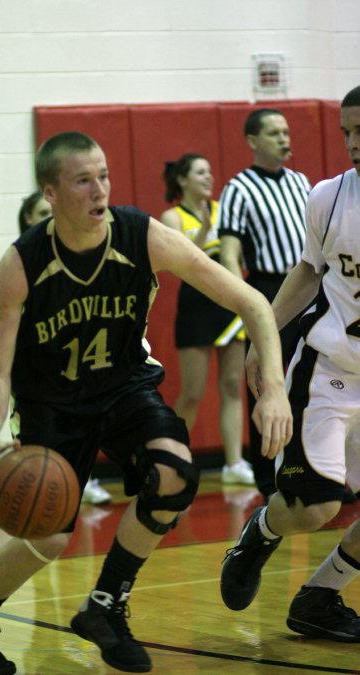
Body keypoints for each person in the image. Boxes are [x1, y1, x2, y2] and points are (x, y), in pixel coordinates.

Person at [0, 131, 291, 675]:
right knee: (50, 533)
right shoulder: (23, 263)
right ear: (50, 193)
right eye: (83, 180)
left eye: (103, 176)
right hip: (51, 401)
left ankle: (105, 606)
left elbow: (252, 303)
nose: (99, 190)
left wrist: (273, 390)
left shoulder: (141, 234)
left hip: (124, 387)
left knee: (175, 473)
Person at [220, 86, 360, 643]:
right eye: (346, 131)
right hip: (328, 369)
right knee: (316, 508)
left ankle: (319, 599)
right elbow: (307, 272)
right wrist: (265, 331)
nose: (351, 143)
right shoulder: (329, 196)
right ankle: (261, 529)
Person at [218, 107, 311, 500]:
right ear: (253, 141)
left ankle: (315, 471)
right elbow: (228, 252)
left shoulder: (302, 182)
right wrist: (243, 302)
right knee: (265, 381)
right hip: (267, 291)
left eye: (286, 131)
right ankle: (266, 476)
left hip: (309, 286)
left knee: (309, 380)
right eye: (274, 133)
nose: (284, 138)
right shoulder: (238, 187)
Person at [160, 154, 253, 485]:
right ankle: (173, 460)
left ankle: (234, 463)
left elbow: (236, 255)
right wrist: (206, 230)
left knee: (232, 385)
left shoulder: (223, 210)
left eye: (210, 171)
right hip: (196, 308)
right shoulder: (172, 217)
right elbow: (181, 259)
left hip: (225, 305)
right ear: (183, 180)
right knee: (192, 392)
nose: (209, 177)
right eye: (201, 172)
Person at [18, 190, 113, 506]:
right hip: (37, 375)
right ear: (27, 222)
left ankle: (82, 479)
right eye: (41, 214)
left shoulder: (81, 262)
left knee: (84, 425)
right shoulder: (20, 268)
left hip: (80, 367)